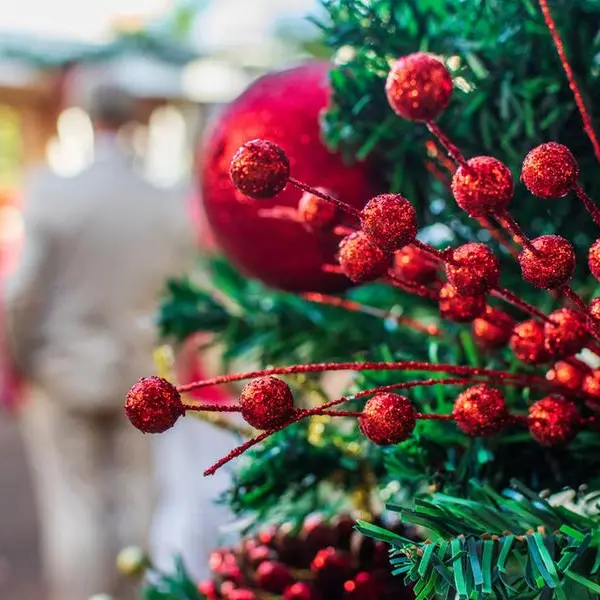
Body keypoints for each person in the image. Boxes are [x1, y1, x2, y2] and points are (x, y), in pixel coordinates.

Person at [2, 84, 195, 600]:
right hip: (143, 370)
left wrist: (24, 361)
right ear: (134, 118)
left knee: (74, 503)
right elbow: (187, 291)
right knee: (139, 499)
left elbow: (20, 295)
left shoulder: (51, 192)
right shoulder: (167, 198)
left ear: (84, 118)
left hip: (62, 368)